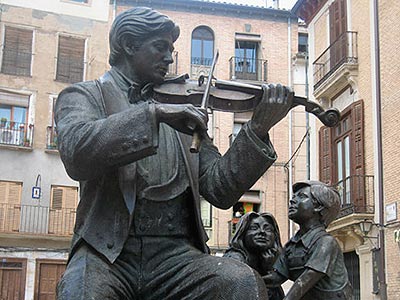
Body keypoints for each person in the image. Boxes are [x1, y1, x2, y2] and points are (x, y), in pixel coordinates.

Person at [55, 7, 293, 300]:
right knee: (80, 292)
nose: (169, 58)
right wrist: (154, 115)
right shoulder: (84, 96)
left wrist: (256, 129)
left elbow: (220, 189)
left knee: (241, 281)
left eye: (171, 49)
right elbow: (76, 152)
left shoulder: (182, 105)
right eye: (160, 47)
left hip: (176, 257)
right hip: (108, 253)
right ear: (129, 45)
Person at [263, 181, 353, 300]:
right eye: (294, 196)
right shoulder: (292, 246)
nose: (292, 200)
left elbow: (306, 279)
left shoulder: (326, 242)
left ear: (318, 206)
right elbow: (276, 277)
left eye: (301, 197)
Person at [224, 212, 285, 300]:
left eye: (268, 229)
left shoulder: (272, 258)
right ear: (243, 233)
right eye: (254, 228)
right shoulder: (234, 260)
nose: (262, 232)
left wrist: (269, 269)